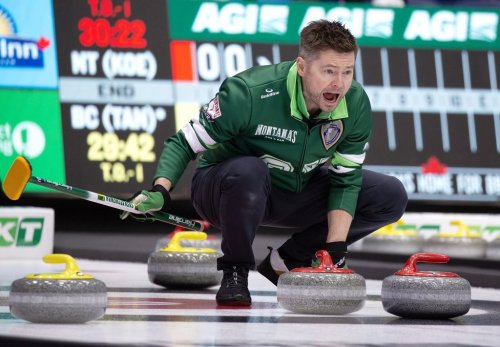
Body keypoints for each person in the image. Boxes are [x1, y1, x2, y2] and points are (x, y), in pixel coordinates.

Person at [121, 20, 408, 307]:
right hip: (223, 191)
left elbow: (346, 179)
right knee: (250, 170)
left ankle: (289, 259)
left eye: (347, 72)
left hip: (291, 191)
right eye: (329, 71)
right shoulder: (249, 92)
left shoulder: (355, 103)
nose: (340, 83)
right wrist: (160, 190)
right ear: (303, 66)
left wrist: (334, 248)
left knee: (389, 195)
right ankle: (235, 271)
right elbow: (183, 142)